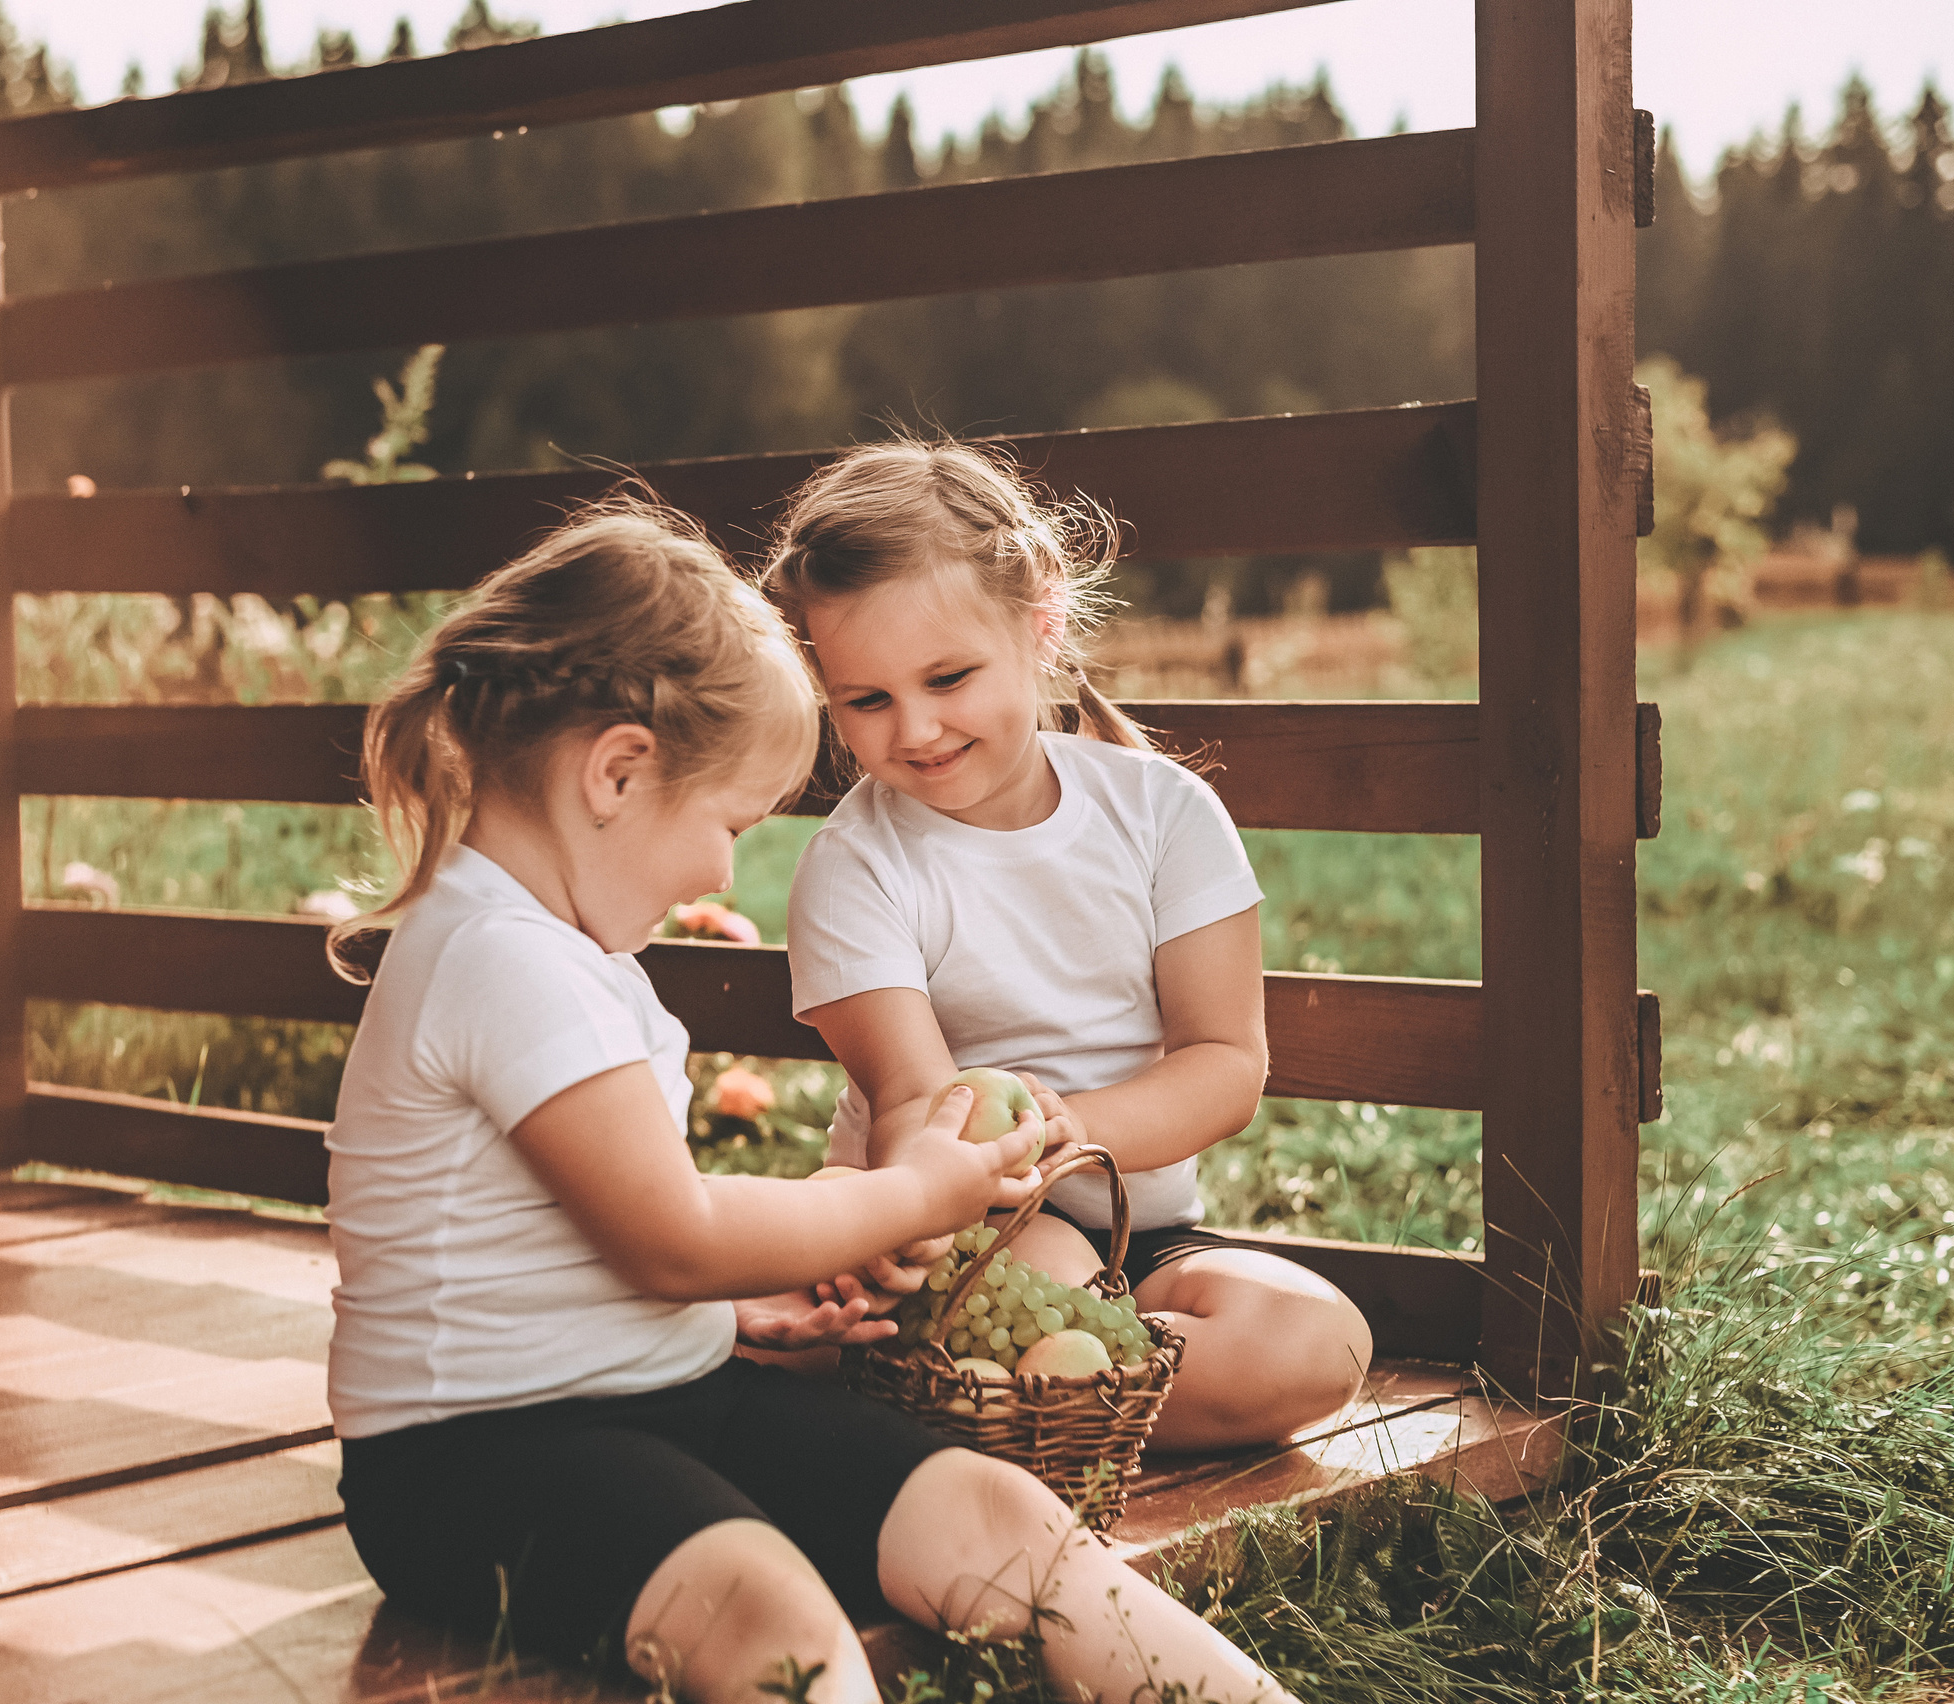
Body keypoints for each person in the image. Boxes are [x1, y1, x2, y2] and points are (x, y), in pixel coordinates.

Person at [324, 498, 1297, 1704]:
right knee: (767, 1615)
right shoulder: (500, 959)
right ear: (616, 773)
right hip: (473, 1453)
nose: (719, 872)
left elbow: (599, 1234)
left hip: (663, 1393)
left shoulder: (558, 952)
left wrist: (738, 1306)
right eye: (726, 823)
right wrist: (911, 1194)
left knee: (995, 1510)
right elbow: (676, 1235)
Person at [764, 440, 1374, 1454]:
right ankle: (1045, 1396)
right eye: (867, 700)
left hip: (1147, 1238)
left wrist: (1072, 1128)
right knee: (1048, 1275)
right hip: (952, 1233)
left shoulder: (1163, 812)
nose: (915, 730)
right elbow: (911, 1106)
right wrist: (993, 1174)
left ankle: (1001, 1396)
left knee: (1321, 1341)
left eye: (948, 678)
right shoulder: (856, 865)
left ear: (1040, 619)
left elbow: (1225, 1063)